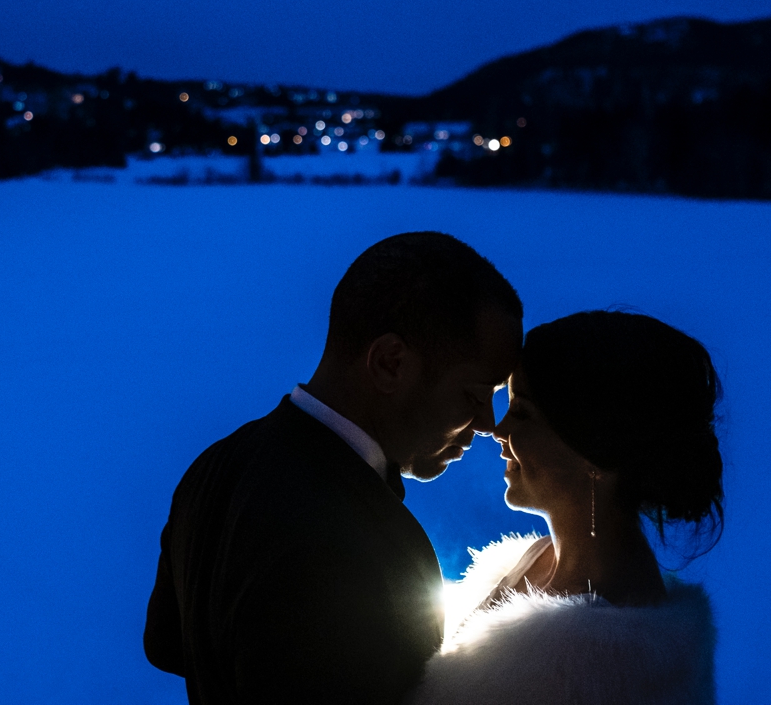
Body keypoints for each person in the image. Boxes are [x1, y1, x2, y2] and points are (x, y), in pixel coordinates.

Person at [143, 232, 523, 705]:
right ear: (389, 363)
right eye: (473, 394)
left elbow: (164, 644)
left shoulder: (215, 466)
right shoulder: (351, 540)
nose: (489, 424)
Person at [410, 310, 723, 705]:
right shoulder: (535, 557)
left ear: (595, 448)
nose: (498, 431)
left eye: (522, 412)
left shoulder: (609, 666)